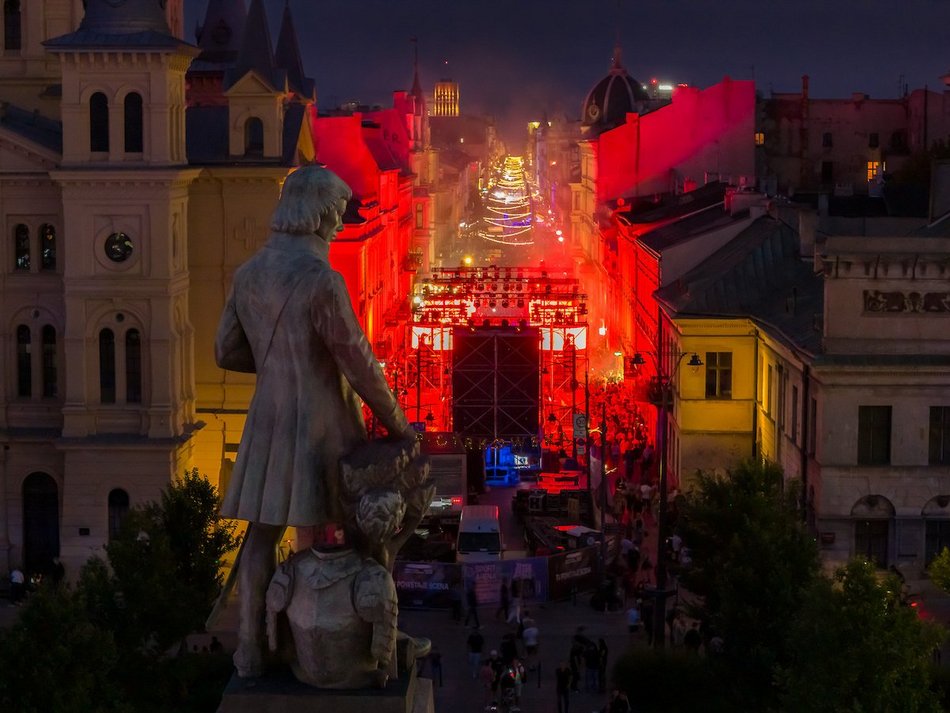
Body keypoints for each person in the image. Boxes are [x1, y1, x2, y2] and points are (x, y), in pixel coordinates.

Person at [212, 166, 416, 678]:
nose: (338, 227)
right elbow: (359, 363)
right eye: (336, 216)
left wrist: (278, 360)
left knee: (261, 534)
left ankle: (251, 648)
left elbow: (224, 350)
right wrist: (397, 423)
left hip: (267, 421)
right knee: (360, 526)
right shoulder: (322, 280)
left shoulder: (250, 272)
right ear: (320, 215)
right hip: (326, 426)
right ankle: (374, 650)